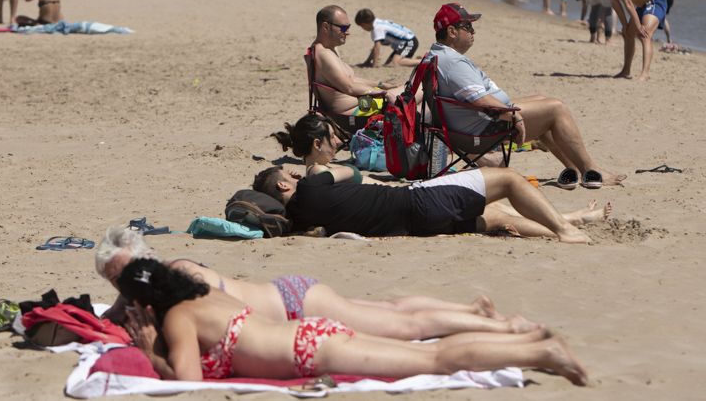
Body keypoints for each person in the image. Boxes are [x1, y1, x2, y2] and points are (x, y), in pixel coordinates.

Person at [118, 258, 588, 384]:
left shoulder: (178, 317)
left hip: (312, 350)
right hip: (312, 336)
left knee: (436, 358)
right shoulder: (203, 294)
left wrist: (147, 349)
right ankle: (528, 342)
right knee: (417, 341)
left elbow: (187, 382)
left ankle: (538, 351)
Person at [97, 227, 543, 343]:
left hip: (298, 307)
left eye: (119, 273)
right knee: (390, 310)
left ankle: (504, 329)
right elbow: (118, 313)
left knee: (404, 329)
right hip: (295, 296)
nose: (119, 284)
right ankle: (470, 311)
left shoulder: (177, 279)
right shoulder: (159, 277)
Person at [264, 113, 610, 242]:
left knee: (495, 216)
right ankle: (565, 231)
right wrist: (339, 170)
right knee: (508, 179)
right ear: (316, 144)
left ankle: (570, 218)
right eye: (332, 137)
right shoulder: (319, 175)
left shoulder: (305, 209)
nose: (339, 141)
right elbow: (352, 172)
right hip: (417, 199)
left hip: (411, 223)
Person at [427, 3, 625, 187]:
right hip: (479, 130)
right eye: (468, 27)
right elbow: (481, 101)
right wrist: (513, 116)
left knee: (541, 100)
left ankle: (572, 168)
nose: (473, 32)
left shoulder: (437, 55)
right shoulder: (454, 63)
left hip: (470, 121)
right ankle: (591, 170)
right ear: (452, 32)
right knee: (556, 108)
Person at [309, 5, 399, 118]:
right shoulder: (323, 55)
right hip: (357, 112)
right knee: (416, 91)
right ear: (326, 27)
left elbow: (350, 79)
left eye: (348, 27)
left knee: (412, 95)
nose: (347, 32)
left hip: (361, 104)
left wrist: (381, 85)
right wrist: (384, 93)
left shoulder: (329, 50)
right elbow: (349, 87)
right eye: (343, 28)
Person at [580, 0, 668, 82]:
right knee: (627, 34)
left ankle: (645, 74)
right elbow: (616, 5)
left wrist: (638, 25)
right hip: (642, 6)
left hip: (655, 1)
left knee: (644, 34)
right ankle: (626, 71)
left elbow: (627, 2)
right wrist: (625, 25)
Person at [354, 8, 419, 68]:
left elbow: (377, 48)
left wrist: (375, 64)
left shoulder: (377, 28)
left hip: (410, 42)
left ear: (364, 24)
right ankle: (415, 61)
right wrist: (367, 62)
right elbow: (375, 48)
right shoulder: (377, 22)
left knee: (395, 63)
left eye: (362, 26)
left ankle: (424, 62)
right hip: (403, 44)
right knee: (387, 65)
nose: (363, 28)